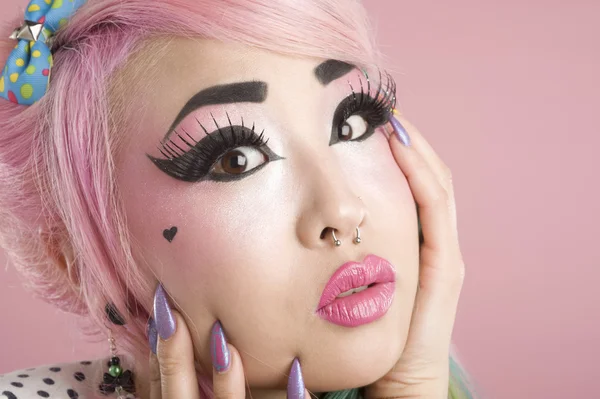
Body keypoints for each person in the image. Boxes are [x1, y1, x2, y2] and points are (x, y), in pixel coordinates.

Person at [0, 0, 481, 398]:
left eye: (351, 123)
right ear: (77, 261)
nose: (342, 210)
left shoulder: (443, 377)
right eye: (236, 159)